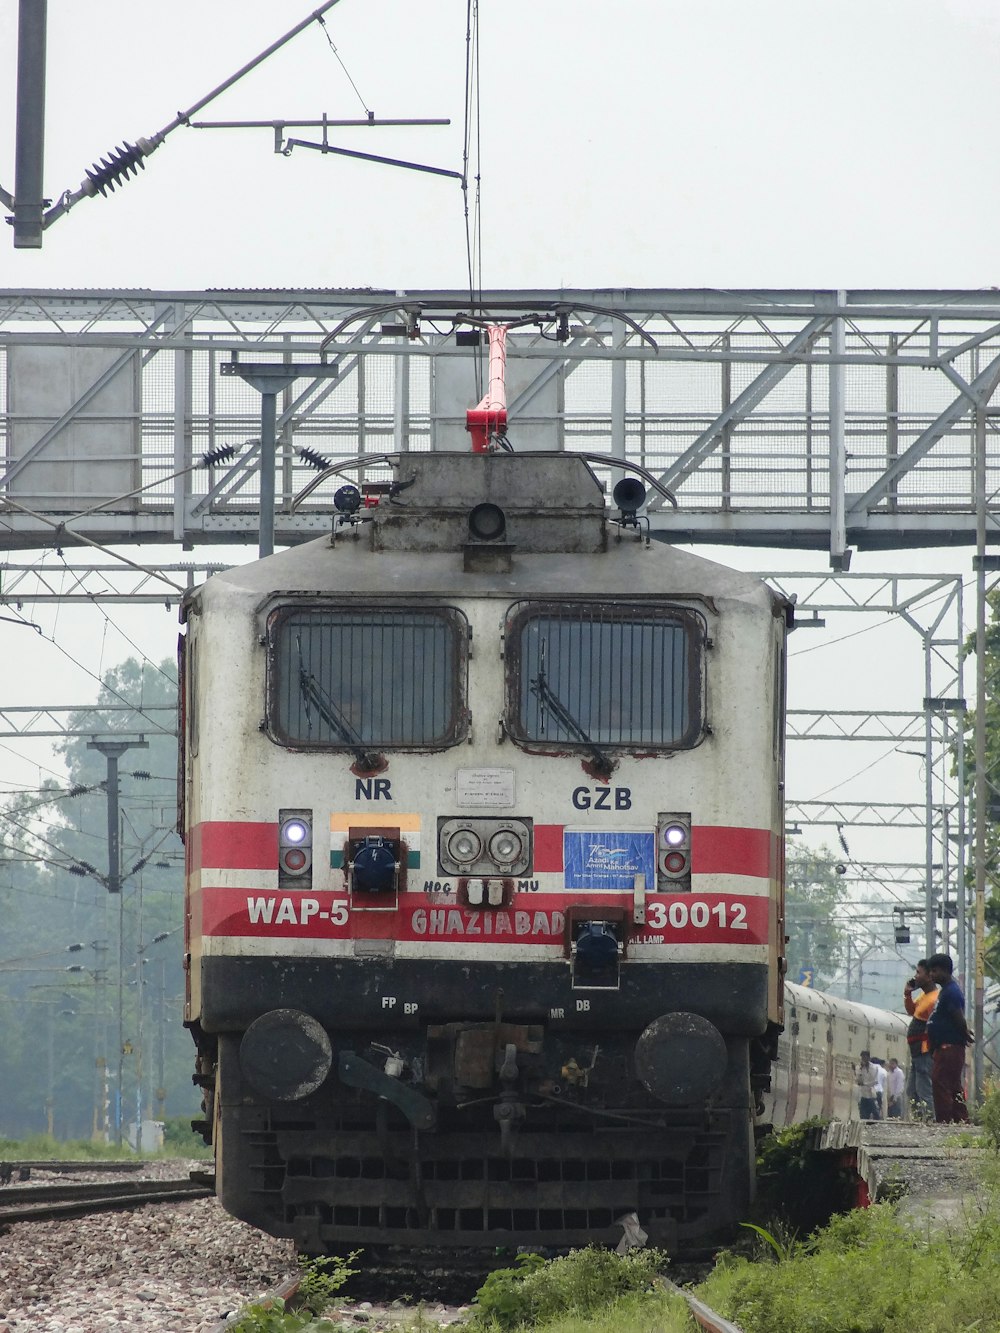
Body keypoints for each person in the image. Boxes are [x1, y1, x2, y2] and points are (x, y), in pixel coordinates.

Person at [926, 952, 973, 1123]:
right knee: (953, 1085)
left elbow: (957, 1016)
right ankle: (961, 1120)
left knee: (941, 1083)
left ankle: (944, 1121)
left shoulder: (951, 992)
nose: (931, 974)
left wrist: (964, 1033)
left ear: (945, 971)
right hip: (946, 1047)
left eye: (934, 971)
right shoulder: (946, 991)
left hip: (949, 1047)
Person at [904, 959, 939, 1116]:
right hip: (917, 1053)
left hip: (924, 1051)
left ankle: (930, 1122)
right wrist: (907, 994)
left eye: (919, 972)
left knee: (924, 1091)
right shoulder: (924, 996)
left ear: (929, 976)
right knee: (912, 1091)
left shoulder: (934, 998)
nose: (915, 976)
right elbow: (912, 1011)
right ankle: (920, 1121)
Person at [855, 1050, 879, 1120]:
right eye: (862, 1058)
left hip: (871, 1094)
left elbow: (875, 1081)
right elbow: (857, 1080)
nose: (863, 1059)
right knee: (863, 1114)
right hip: (862, 1094)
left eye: (865, 1057)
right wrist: (861, 1069)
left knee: (875, 1113)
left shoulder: (874, 1068)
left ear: (868, 1058)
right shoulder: (859, 1067)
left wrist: (865, 1083)